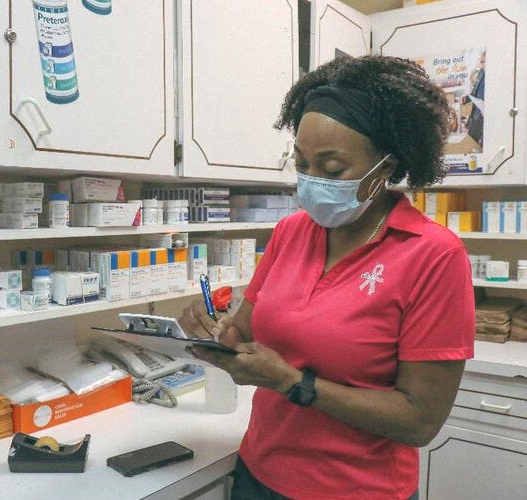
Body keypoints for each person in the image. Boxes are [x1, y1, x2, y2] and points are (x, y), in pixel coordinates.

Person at [179, 54, 475, 500]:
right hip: (258, 473)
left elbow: (419, 421)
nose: (312, 181)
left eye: (333, 169)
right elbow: (242, 329)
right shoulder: (290, 232)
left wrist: (290, 381)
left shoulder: (434, 255)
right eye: (302, 164)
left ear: (388, 167)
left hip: (357, 490)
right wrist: (210, 330)